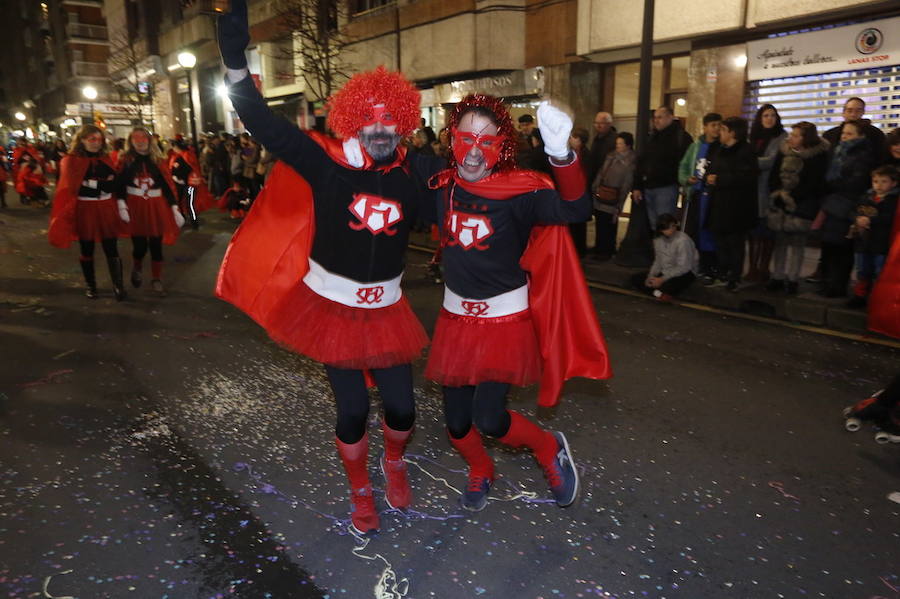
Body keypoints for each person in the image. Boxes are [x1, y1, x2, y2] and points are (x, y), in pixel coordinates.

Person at [216, 0, 443, 536]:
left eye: (389, 118)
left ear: (403, 122)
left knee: (403, 410)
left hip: (387, 311)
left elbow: (468, 195)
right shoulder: (327, 163)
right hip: (332, 310)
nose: (380, 128)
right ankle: (361, 489)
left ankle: (393, 460)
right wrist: (234, 58)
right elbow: (262, 122)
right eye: (370, 118)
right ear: (353, 121)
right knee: (351, 412)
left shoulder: (415, 172)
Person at [425, 94, 610, 512]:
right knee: (457, 424)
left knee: (490, 419)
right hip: (455, 319)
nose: (475, 152)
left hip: (504, 321)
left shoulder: (520, 191)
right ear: (451, 139)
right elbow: (384, 170)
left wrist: (562, 157)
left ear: (502, 147)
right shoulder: (442, 184)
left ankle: (547, 447)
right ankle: (481, 468)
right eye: (466, 139)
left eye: (487, 142)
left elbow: (577, 209)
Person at [47, 125, 129, 300]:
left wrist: (90, 183)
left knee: (111, 247)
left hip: (106, 207)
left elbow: (114, 185)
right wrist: (102, 184)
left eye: (99, 139)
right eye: (92, 139)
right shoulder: (71, 160)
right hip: (85, 208)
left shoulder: (106, 159)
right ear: (82, 140)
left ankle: (118, 286)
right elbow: (73, 187)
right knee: (87, 248)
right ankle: (91, 285)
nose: (96, 143)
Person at [115, 127, 185, 296]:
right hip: (135, 206)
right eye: (136, 138)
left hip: (156, 206)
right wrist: (121, 204)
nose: (140, 142)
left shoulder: (158, 160)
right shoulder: (125, 160)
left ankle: (156, 278)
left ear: (149, 140)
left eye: (143, 138)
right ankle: (137, 267)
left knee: (156, 245)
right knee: (139, 246)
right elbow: (119, 184)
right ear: (131, 141)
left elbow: (167, 185)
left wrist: (174, 207)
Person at [765, 121, 830, 295]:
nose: (791, 138)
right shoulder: (784, 151)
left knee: (798, 243)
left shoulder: (817, 156)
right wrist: (778, 193)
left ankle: (793, 279)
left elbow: (815, 182)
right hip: (780, 200)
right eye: (791, 134)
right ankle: (777, 276)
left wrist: (794, 197)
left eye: (795, 135)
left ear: (805, 138)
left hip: (803, 203)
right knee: (780, 241)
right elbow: (774, 175)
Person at [819, 120, 877, 297]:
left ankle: (838, 285)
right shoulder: (837, 152)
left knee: (843, 247)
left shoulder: (863, 155)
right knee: (830, 245)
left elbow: (856, 182)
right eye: (843, 133)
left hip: (848, 204)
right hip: (834, 204)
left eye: (849, 134)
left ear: (860, 136)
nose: (844, 137)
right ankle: (829, 282)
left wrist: (834, 184)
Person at [704, 116, 758, 291]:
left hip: (736, 207)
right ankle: (722, 273)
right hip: (718, 203)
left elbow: (746, 177)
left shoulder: (746, 151)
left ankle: (734, 277)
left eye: (723, 129)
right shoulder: (720, 149)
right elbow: (711, 169)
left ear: (733, 133)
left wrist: (719, 179)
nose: (719, 132)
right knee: (720, 241)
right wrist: (709, 178)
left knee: (734, 243)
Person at [846, 165, 899, 308]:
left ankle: (876, 298)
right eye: (875, 181)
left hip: (881, 242)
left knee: (879, 271)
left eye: (884, 181)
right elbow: (852, 210)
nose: (879, 185)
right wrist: (857, 218)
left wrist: (870, 220)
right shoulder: (866, 197)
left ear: (894, 183)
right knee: (862, 270)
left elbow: (890, 218)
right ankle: (859, 296)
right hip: (863, 241)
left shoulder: (893, 201)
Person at [633, 106, 693, 229]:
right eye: (655, 118)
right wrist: (637, 186)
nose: (656, 121)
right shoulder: (652, 136)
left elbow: (686, 163)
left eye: (660, 117)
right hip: (649, 186)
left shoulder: (681, 137)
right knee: (654, 225)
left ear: (670, 117)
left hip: (667, 187)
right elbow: (642, 161)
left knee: (665, 225)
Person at [678, 112, 721, 278]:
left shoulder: (721, 147)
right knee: (694, 231)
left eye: (719, 125)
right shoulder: (695, 147)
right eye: (713, 125)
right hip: (695, 193)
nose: (716, 129)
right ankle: (697, 265)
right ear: (705, 127)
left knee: (709, 232)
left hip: (712, 196)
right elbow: (683, 166)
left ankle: (711, 266)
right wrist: (686, 179)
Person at [747, 104, 787, 282]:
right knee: (753, 231)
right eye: (766, 115)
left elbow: (771, 160)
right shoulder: (754, 137)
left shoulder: (781, 137)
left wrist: (748, 162)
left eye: (773, 115)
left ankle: (764, 268)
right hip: (753, 190)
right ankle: (752, 268)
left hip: (770, 189)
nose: (769, 118)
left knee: (768, 231)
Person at [631, 213, 698, 301]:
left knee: (668, 286)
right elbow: (658, 261)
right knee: (636, 279)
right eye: (668, 227)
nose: (672, 229)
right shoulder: (658, 240)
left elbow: (684, 267)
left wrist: (662, 279)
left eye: (673, 226)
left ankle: (658, 293)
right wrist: (651, 276)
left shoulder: (683, 240)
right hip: (666, 270)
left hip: (685, 272)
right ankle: (659, 294)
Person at [591, 132, 636, 260]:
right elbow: (601, 172)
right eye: (617, 143)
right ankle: (599, 249)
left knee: (609, 223)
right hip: (602, 191)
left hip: (614, 195)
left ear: (628, 145)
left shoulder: (630, 161)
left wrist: (620, 201)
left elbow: (627, 183)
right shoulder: (611, 156)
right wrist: (595, 186)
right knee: (600, 222)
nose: (618, 146)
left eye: (621, 143)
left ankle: (607, 250)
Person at [567, 126, 590, 256]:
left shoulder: (586, 155)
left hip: (581, 192)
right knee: (572, 222)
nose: (570, 139)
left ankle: (580, 250)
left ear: (580, 140)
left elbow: (587, 174)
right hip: (571, 192)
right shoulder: (570, 153)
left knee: (580, 223)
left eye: (573, 137)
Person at [586, 112, 617, 188]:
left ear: (609, 124)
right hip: (594, 177)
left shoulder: (615, 140)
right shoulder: (597, 138)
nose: (598, 126)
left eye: (602, 123)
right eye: (596, 123)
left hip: (606, 180)